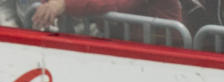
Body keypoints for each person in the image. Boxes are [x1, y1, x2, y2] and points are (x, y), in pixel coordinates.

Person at [29, 0, 183, 31]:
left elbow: (119, 4)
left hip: (163, 54)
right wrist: (50, 5)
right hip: (125, 50)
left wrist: (64, 4)